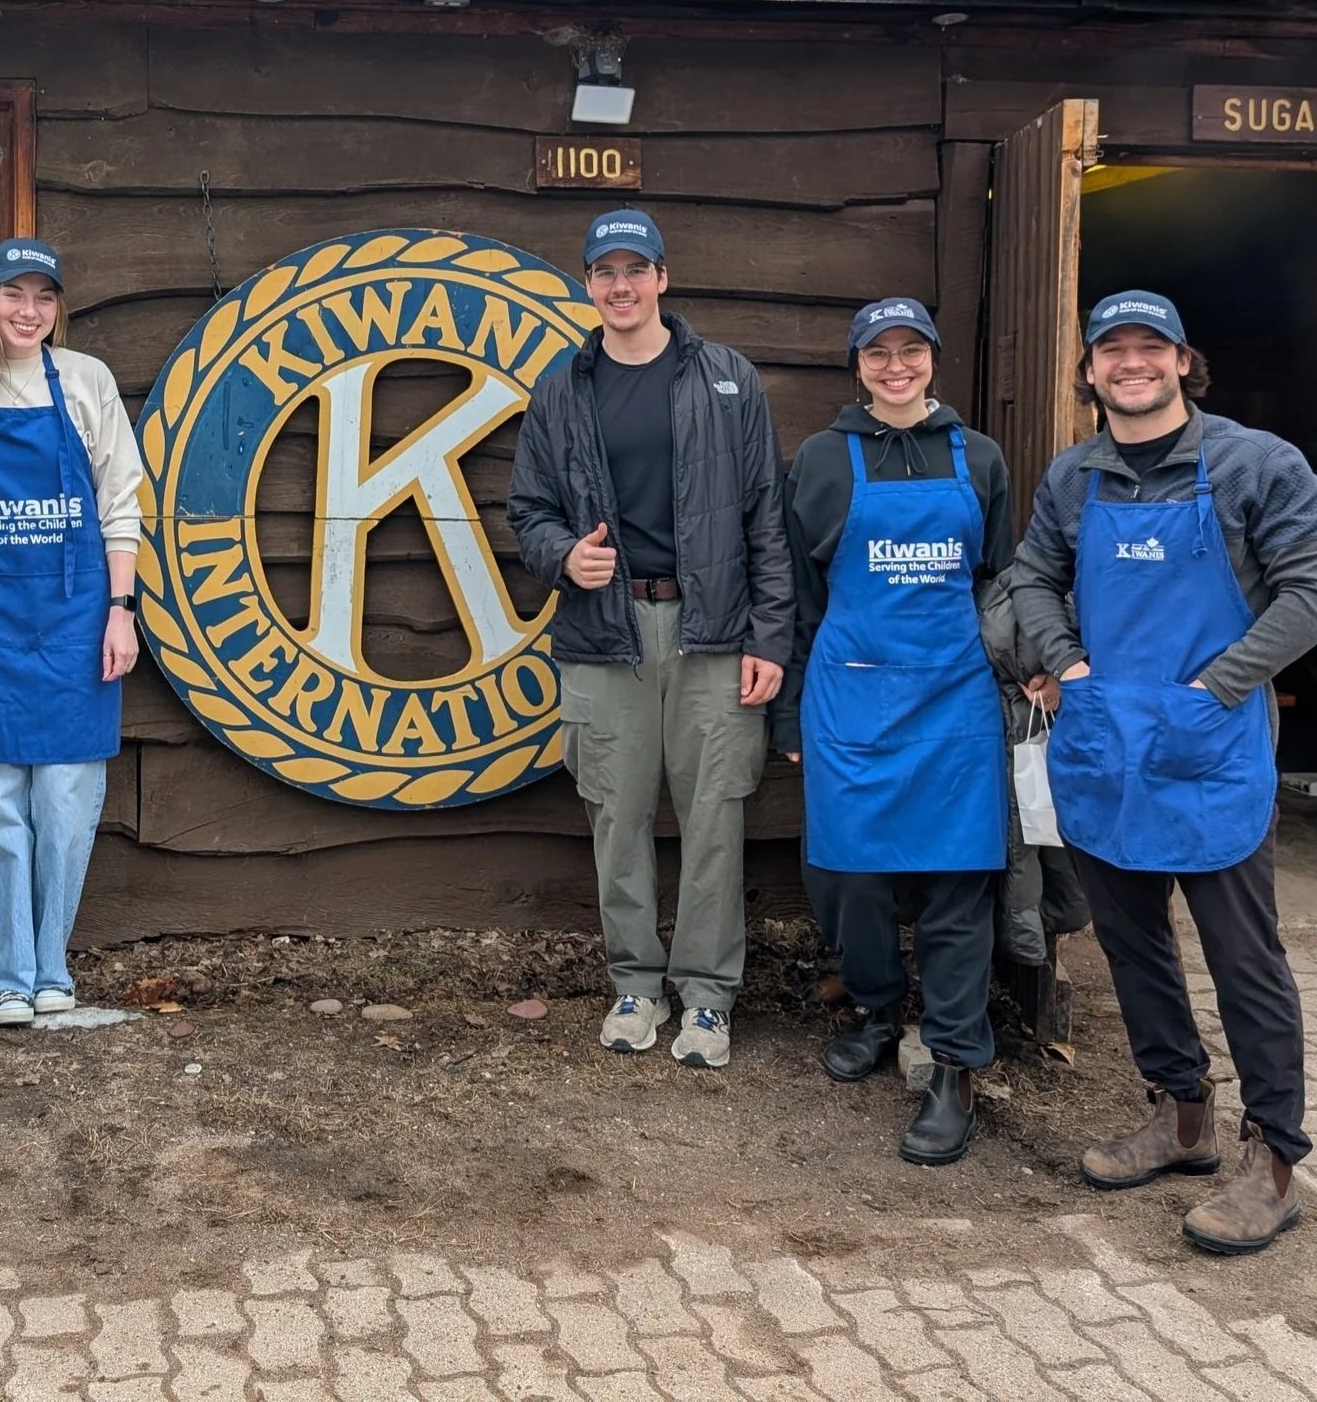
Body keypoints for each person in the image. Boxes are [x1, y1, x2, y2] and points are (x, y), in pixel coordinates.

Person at [1015, 289, 1317, 1255]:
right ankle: (1180, 1117)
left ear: (1184, 362)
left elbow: (1309, 592)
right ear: (1090, 368)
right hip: (1106, 745)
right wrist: (1065, 662)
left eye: (1151, 348)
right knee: (1132, 944)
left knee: (1245, 960)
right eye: (1113, 349)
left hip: (1208, 748)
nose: (1131, 363)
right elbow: (1029, 576)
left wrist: (1217, 689)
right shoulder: (1075, 476)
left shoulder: (1255, 464)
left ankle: (1272, 1161)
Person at [507, 208, 793, 1070]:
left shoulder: (728, 380)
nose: (621, 287)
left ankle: (707, 999)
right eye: (604, 272)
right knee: (616, 816)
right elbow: (528, 510)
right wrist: (565, 559)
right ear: (588, 285)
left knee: (715, 818)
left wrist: (770, 640)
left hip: (714, 633)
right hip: (607, 632)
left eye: (637, 270)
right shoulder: (566, 386)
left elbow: (765, 524)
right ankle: (635, 983)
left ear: (664, 278)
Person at [772, 298, 1021, 1164]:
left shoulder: (978, 457)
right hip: (851, 695)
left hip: (955, 700)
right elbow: (798, 595)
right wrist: (789, 704)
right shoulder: (819, 461)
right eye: (878, 354)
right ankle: (876, 1010)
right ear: (857, 366)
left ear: (934, 361)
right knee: (851, 875)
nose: (896, 367)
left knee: (958, 885)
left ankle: (954, 1065)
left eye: (911, 351)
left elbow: (998, 581)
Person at [0, 240, 141, 1026]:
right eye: (13, 295)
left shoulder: (86, 381)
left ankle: (53, 963)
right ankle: (7, 973)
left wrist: (122, 609)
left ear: (57, 308)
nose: (28, 311)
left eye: (43, 297)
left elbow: (120, 501)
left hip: (79, 617)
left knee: (66, 803)